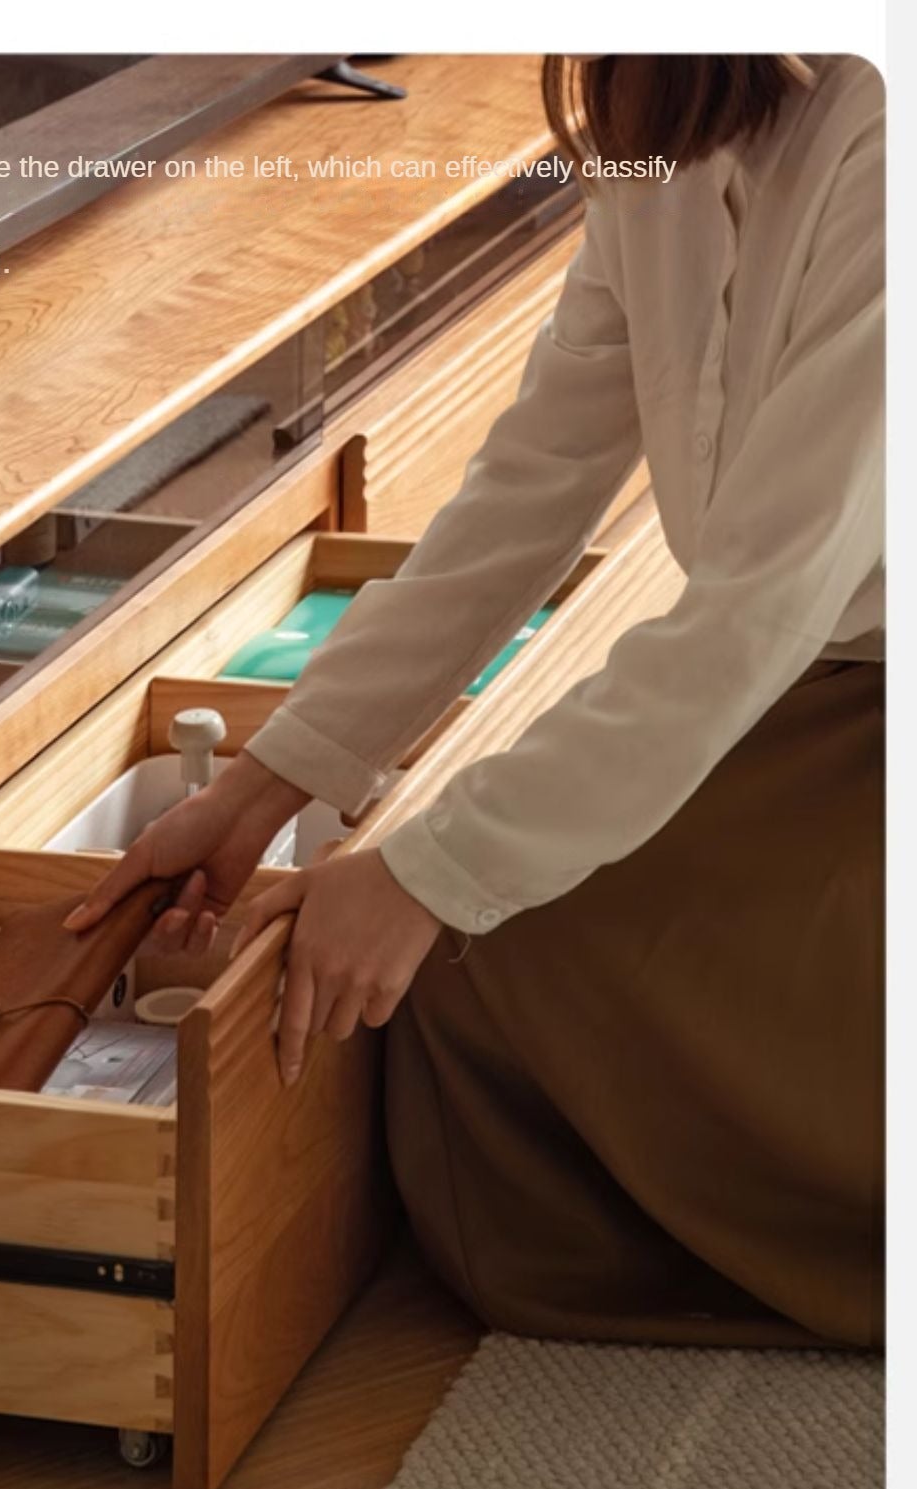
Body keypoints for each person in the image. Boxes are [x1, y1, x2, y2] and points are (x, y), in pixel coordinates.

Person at [66, 54, 884, 1348]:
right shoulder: (655, 110)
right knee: (476, 930)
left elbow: (759, 603)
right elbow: (533, 482)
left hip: (835, 678)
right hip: (816, 672)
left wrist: (434, 874)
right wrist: (279, 774)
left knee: (482, 937)